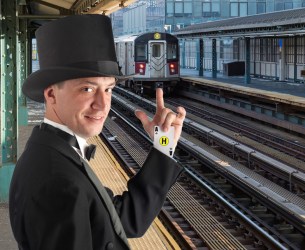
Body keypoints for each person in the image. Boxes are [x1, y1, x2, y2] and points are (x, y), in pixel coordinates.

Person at [9, 14, 186, 250]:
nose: (102, 105)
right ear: (51, 94)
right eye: (87, 88)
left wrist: (164, 143)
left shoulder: (56, 153)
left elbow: (124, 219)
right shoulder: (57, 182)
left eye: (109, 89)